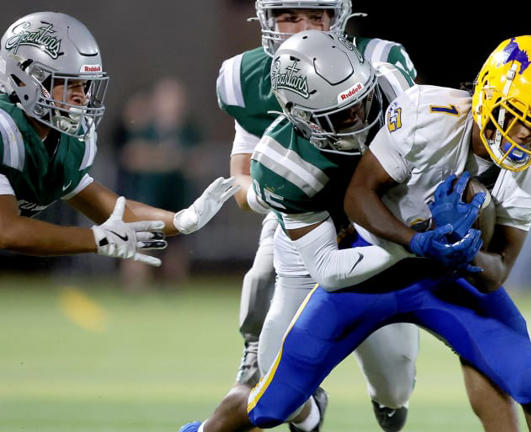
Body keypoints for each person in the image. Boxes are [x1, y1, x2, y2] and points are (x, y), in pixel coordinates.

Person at [244, 35, 531, 432]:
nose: (525, 136)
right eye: (518, 118)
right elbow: (358, 195)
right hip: (375, 262)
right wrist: (416, 240)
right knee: (274, 401)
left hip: (449, 276)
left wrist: (464, 250)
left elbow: (497, 271)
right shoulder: (429, 114)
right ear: (488, 94)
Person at [182, 1, 419, 431]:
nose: (303, 28)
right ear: (267, 19)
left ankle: (386, 401)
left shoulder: (382, 64)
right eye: (290, 16)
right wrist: (265, 193)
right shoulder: (246, 78)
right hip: (300, 215)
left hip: (376, 216)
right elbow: (242, 179)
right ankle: (291, 396)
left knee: (395, 382)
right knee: (261, 296)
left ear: (339, 18)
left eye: (316, 16)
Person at [0, 12, 237, 270]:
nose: (82, 98)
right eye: (70, 85)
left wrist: (181, 219)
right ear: (25, 78)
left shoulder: (65, 141)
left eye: (85, 86)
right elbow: (8, 231)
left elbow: (113, 211)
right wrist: (95, 239)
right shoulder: (5, 130)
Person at [115, 77, 202, 289]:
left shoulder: (189, 130)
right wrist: (169, 159)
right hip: (149, 199)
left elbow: (196, 162)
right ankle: (134, 291)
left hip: (178, 200)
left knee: (176, 251)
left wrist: (160, 158)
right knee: (140, 247)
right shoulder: (146, 127)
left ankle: (173, 294)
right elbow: (132, 156)